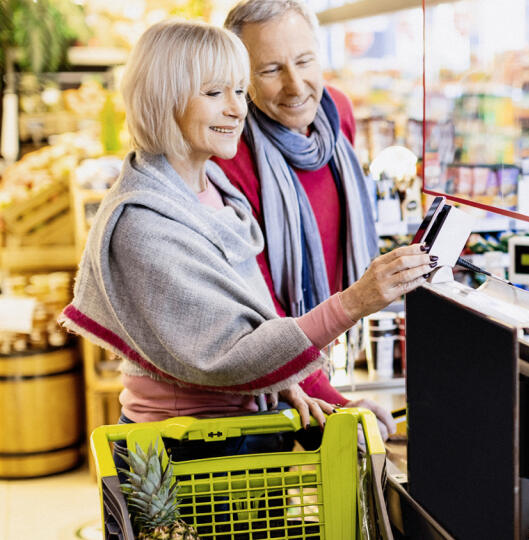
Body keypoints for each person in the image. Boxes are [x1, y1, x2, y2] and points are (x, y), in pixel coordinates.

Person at [59, 20, 434, 449]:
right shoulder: (142, 223)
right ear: (163, 98)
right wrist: (354, 302)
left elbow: (244, 325)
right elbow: (227, 357)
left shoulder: (216, 192)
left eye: (239, 91)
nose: (237, 109)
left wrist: (285, 381)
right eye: (214, 92)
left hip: (241, 429)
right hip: (183, 452)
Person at [212, 0, 393, 427]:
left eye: (305, 61)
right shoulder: (230, 153)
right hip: (276, 377)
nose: (296, 86)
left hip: (330, 351)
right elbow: (258, 304)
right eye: (271, 70)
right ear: (241, 79)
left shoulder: (338, 113)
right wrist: (335, 402)